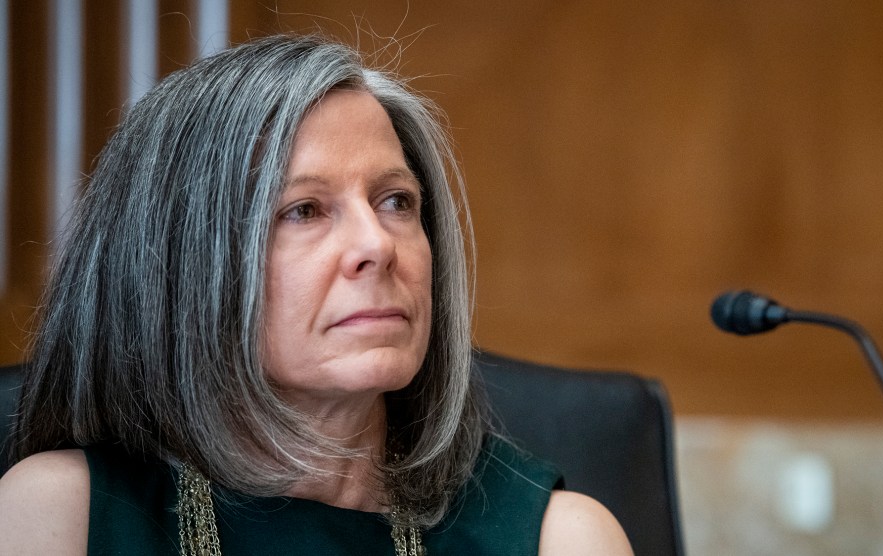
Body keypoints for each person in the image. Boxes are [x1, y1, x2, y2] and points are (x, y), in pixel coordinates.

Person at [0, 35, 632, 555]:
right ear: (183, 269)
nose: (377, 244)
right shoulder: (61, 517)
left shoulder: (560, 538)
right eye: (303, 210)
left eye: (396, 202)